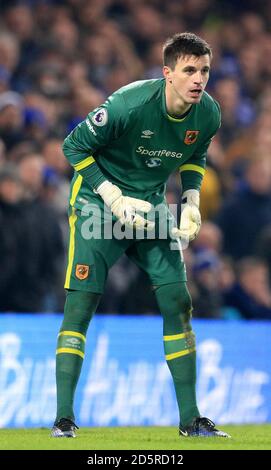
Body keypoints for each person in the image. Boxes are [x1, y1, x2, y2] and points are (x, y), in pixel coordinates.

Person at [52, 32, 230, 438]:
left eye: (204, 70)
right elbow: (73, 146)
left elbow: (195, 152)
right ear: (168, 73)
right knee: (81, 306)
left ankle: (191, 421)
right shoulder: (128, 103)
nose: (198, 78)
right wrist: (112, 195)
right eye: (189, 70)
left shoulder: (209, 114)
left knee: (178, 300)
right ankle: (64, 419)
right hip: (98, 204)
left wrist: (190, 198)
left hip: (150, 208)